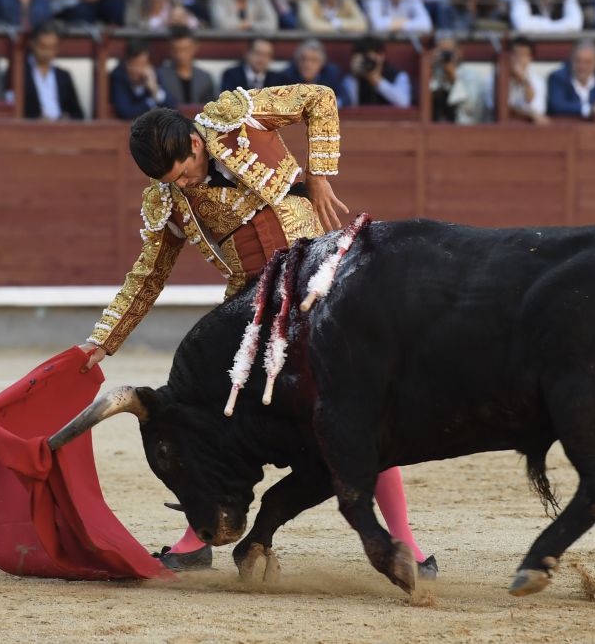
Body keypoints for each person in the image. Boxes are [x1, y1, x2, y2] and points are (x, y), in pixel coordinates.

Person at [78, 82, 435, 578]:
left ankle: (405, 542)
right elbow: (148, 275)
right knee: (210, 421)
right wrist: (103, 340)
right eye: (172, 182)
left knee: (359, 407)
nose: (184, 186)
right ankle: (195, 538)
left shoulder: (235, 117)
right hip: (252, 307)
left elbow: (320, 98)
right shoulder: (168, 199)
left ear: (196, 144)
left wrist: (319, 175)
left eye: (184, 173)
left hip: (319, 287)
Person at [23, 22, 85, 120]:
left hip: (61, 127)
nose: (47, 52)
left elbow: (78, 113)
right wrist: (34, 120)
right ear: (32, 44)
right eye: (43, 47)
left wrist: (67, 118)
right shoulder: (21, 74)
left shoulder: (64, 76)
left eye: (52, 48)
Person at [546, 39, 595, 120]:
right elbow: (557, 106)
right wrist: (589, 110)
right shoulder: (558, 77)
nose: (582, 67)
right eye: (578, 61)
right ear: (571, 60)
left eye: (588, 62)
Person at [110, 38, 177, 118]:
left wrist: (155, 90)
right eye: (134, 64)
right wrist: (151, 103)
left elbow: (172, 106)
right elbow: (126, 111)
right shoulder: (119, 76)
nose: (138, 69)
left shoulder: (153, 75)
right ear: (126, 63)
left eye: (142, 64)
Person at [278, 37, 350, 106]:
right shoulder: (287, 76)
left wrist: (326, 104)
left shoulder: (331, 74)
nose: (307, 65)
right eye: (303, 59)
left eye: (314, 60)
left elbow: (345, 100)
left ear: (322, 63)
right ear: (297, 61)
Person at [345, 36, 412, 107]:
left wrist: (377, 81)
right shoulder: (352, 78)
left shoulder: (399, 75)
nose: (367, 64)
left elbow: (403, 102)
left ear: (381, 56)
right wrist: (354, 78)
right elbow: (348, 105)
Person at [156, 25, 214, 105]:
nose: (180, 55)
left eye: (185, 49)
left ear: (195, 47)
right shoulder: (160, 76)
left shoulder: (205, 78)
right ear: (170, 49)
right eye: (176, 50)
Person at [505, 37, 548, 123]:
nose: (519, 59)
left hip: (528, 128)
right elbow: (497, 108)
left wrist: (523, 80)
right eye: (515, 54)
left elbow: (537, 110)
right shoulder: (495, 79)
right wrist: (528, 114)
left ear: (530, 58)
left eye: (523, 55)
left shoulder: (538, 81)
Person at [219, 37, 283, 92]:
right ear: (247, 53)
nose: (262, 59)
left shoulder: (278, 80)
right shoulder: (231, 76)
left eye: (267, 55)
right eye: (258, 53)